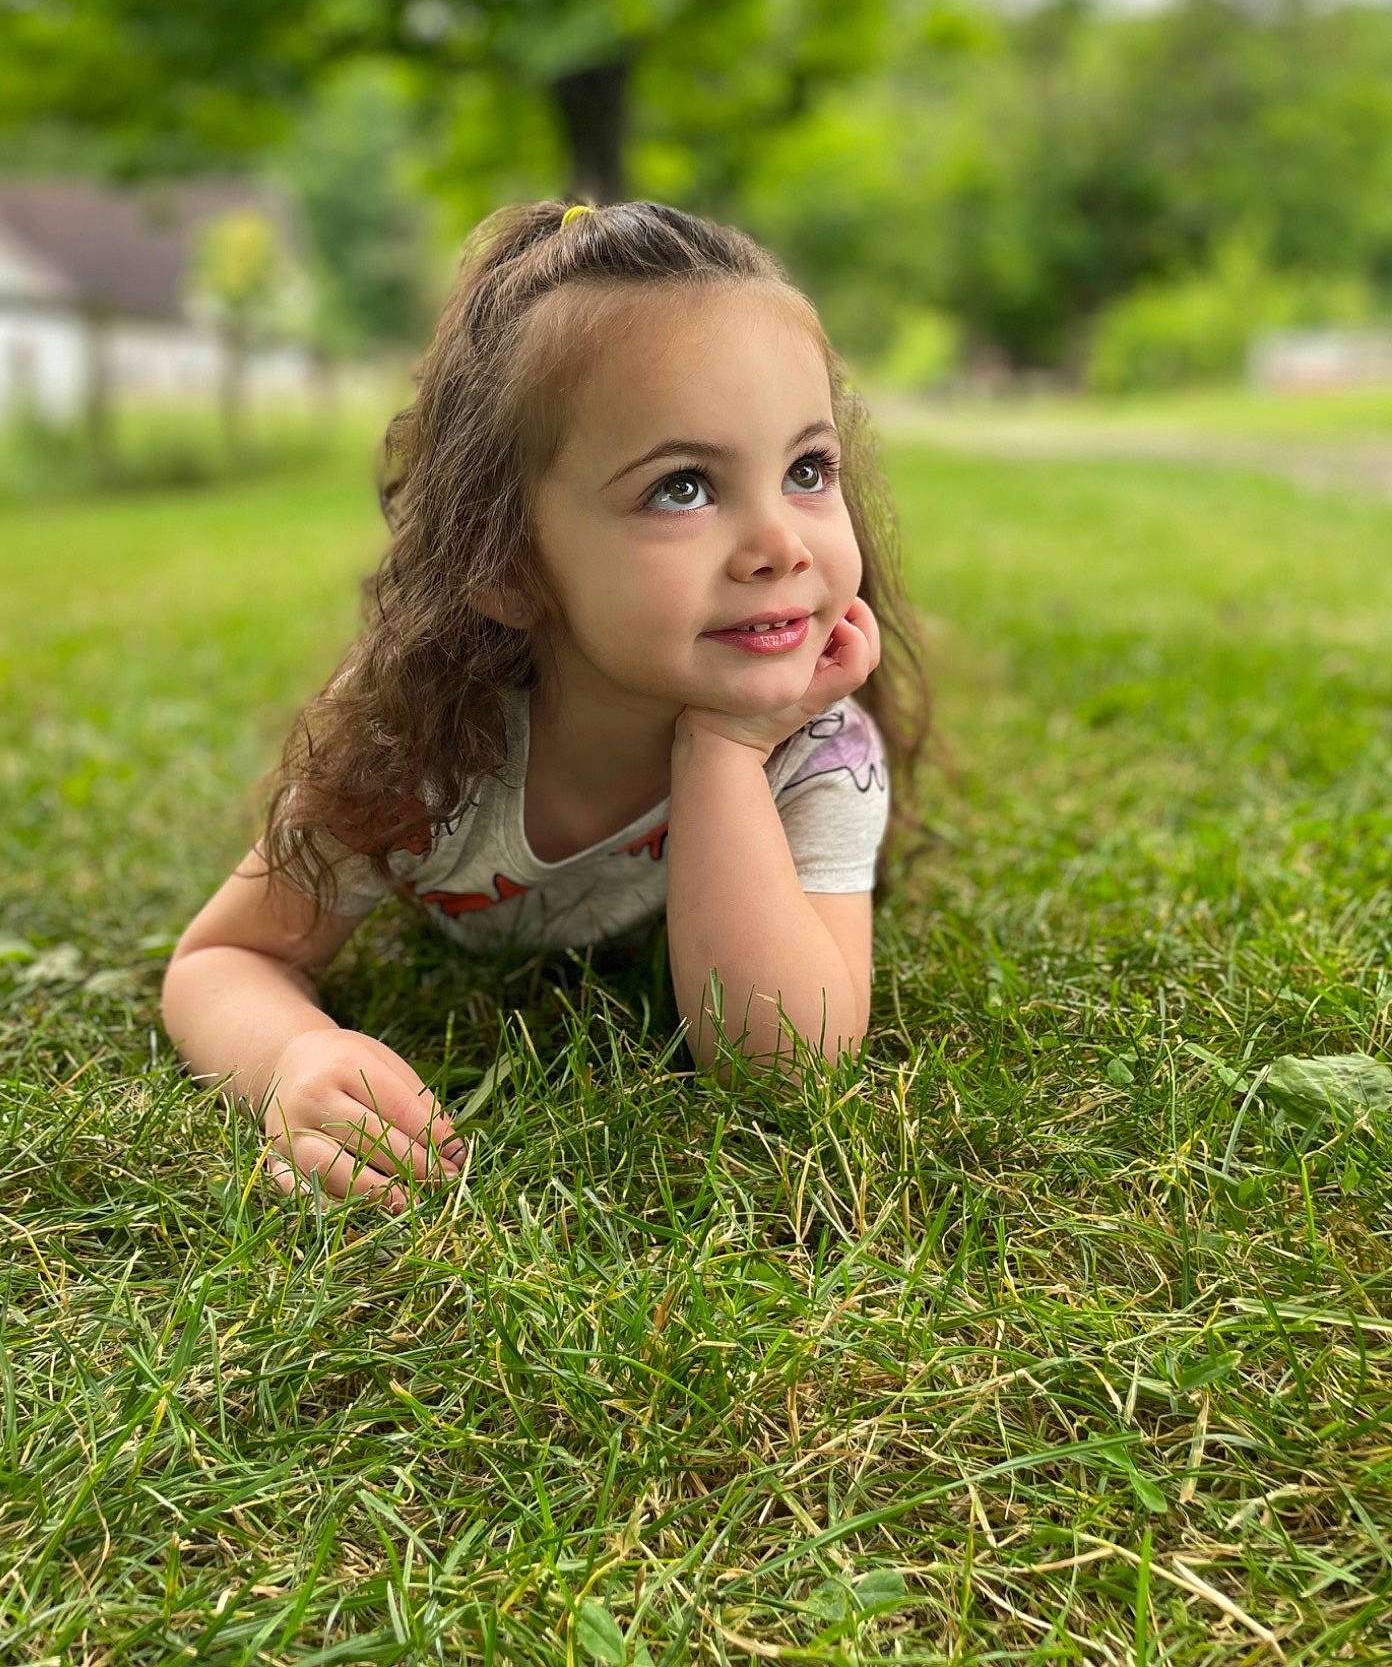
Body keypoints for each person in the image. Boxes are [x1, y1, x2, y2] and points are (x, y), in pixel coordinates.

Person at [161, 199, 929, 1213]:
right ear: (506, 563)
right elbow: (225, 954)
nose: (781, 542)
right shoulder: (417, 746)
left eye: (806, 469)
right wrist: (296, 1054)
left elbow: (781, 1063)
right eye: (685, 487)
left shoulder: (819, 745)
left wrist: (725, 746)